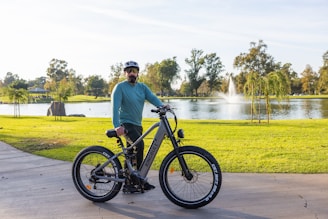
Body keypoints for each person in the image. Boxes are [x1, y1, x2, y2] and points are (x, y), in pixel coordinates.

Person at [111, 60, 164, 192]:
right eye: (129, 71)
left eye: (134, 71)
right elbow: (115, 108)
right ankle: (139, 178)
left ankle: (130, 183)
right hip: (126, 124)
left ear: (138, 73)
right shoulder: (120, 87)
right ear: (125, 73)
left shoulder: (142, 87)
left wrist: (162, 106)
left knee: (130, 151)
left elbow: (152, 98)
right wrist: (117, 126)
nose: (132, 73)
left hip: (138, 125)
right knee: (139, 146)